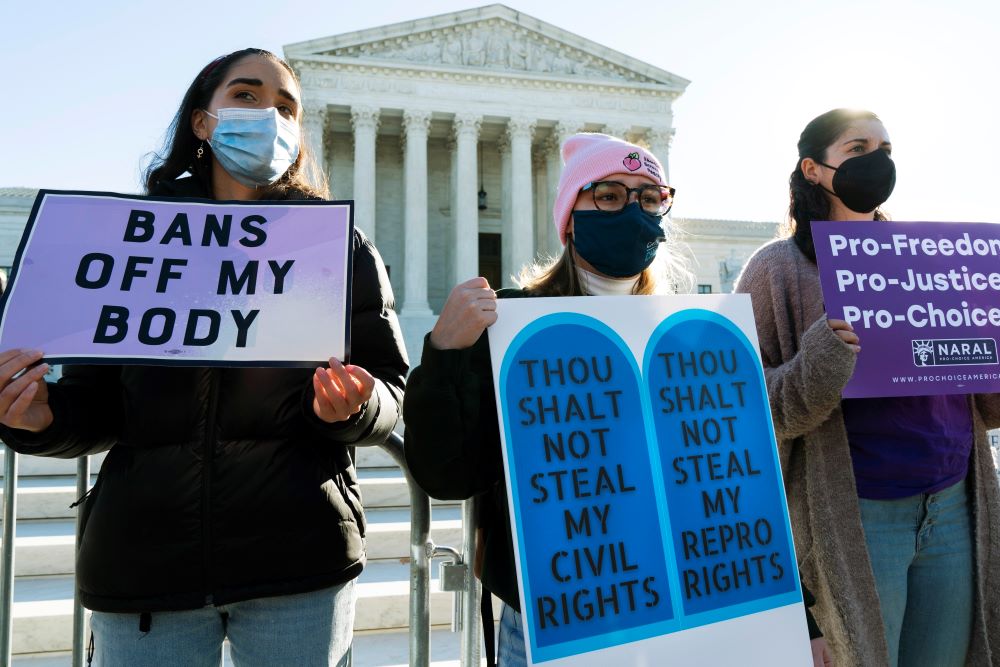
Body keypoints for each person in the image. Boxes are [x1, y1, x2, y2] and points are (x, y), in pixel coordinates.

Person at [0, 48, 408, 666]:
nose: (267, 114)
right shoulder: (132, 237)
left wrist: (353, 407)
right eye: (245, 96)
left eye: (285, 107)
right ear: (201, 121)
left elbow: (388, 390)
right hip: (147, 564)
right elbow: (98, 404)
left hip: (298, 559)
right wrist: (39, 421)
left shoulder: (335, 248)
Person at [403, 132, 830, 666]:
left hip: (682, 616)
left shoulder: (689, 336)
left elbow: (733, 485)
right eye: (608, 195)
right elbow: (447, 475)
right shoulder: (507, 327)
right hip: (551, 622)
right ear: (571, 215)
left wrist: (801, 616)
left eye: (649, 198)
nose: (632, 209)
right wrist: (444, 350)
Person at [736, 108, 1000, 667]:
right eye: (858, 149)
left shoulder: (933, 256)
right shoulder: (776, 269)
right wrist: (822, 357)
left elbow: (986, 405)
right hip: (861, 516)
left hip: (953, 506)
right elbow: (751, 410)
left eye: (885, 147)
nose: (877, 161)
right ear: (813, 169)